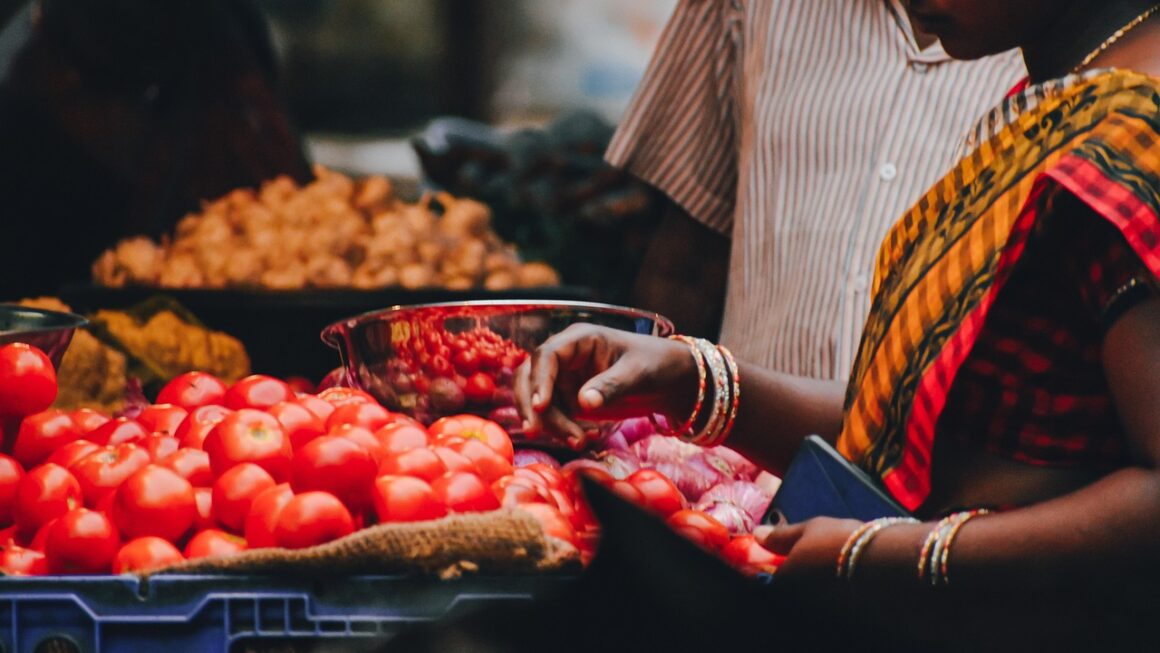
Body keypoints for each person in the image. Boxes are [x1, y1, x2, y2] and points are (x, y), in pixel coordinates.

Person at [514, 0, 1160, 647]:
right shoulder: (1065, 94)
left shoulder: (1137, 132)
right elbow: (927, 436)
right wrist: (692, 379)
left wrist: (899, 553)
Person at [609, 1, 1025, 381]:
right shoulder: (756, 10)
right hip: (739, 456)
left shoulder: (1062, 52)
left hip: (933, 461)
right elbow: (685, 266)